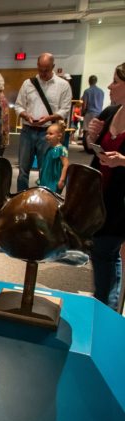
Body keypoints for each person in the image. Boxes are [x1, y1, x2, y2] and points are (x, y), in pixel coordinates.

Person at [86, 62, 125, 312]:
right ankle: (105, 306)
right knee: (104, 253)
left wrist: (123, 161)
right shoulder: (111, 111)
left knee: (105, 251)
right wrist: (91, 136)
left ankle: (106, 310)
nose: (109, 86)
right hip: (103, 196)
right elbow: (93, 148)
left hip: (121, 200)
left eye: (115, 81)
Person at [14, 52, 72, 191]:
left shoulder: (63, 85)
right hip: (28, 130)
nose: (43, 73)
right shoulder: (28, 84)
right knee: (22, 171)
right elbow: (18, 105)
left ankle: (43, 201)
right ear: (37, 66)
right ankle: (21, 198)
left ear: (53, 66)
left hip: (48, 133)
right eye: (40, 69)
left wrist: (49, 118)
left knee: (45, 170)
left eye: (46, 70)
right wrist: (25, 115)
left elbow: (65, 109)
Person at [37, 122, 69, 193]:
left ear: (59, 136)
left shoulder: (61, 149)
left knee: (52, 197)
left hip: (54, 180)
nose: (47, 136)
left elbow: (66, 165)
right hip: (46, 178)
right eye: (47, 133)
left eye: (50, 134)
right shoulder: (49, 148)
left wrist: (62, 180)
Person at [82, 74, 105, 149]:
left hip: (89, 112)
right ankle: (93, 147)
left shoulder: (87, 91)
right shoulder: (101, 92)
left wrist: (83, 112)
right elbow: (101, 103)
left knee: (86, 129)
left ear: (89, 81)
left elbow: (84, 103)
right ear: (96, 81)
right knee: (95, 131)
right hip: (98, 113)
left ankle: (86, 147)